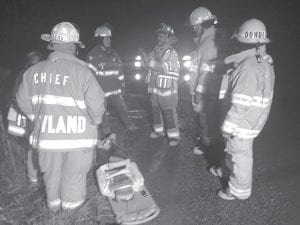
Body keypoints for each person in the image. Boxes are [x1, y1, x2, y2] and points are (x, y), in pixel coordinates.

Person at [16, 22, 106, 212]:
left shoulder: (31, 72)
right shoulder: (83, 72)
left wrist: (39, 118)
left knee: (51, 178)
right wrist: (95, 122)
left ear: (52, 45)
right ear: (74, 47)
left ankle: (54, 214)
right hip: (78, 140)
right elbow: (97, 107)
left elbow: (22, 101)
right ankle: (71, 216)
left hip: (48, 140)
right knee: (73, 179)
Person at [216, 18, 275, 200]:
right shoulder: (260, 61)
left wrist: (228, 127)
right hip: (249, 121)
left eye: (237, 41)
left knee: (240, 156)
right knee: (233, 150)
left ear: (242, 42)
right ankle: (225, 169)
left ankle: (237, 190)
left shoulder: (248, 67)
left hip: (241, 124)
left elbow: (241, 104)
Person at [86, 23, 138, 140]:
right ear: (99, 39)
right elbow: (90, 76)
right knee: (103, 113)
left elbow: (120, 70)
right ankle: (106, 132)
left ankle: (130, 125)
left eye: (110, 38)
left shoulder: (113, 53)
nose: (109, 40)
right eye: (107, 38)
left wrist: (122, 84)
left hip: (115, 91)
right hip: (101, 92)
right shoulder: (93, 55)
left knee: (122, 108)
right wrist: (94, 92)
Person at [188, 7, 227, 155]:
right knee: (206, 118)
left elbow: (207, 70)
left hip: (206, 91)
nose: (194, 30)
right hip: (207, 90)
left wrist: (198, 92)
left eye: (195, 27)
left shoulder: (209, 43)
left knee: (206, 119)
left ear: (203, 25)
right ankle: (209, 143)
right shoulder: (207, 41)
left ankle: (209, 147)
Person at [141, 23, 181, 147]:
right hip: (154, 87)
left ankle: (174, 136)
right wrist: (144, 60)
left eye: (162, 36)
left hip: (167, 89)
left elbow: (163, 67)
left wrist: (149, 62)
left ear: (169, 37)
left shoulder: (171, 52)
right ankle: (159, 132)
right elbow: (147, 64)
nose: (159, 38)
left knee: (168, 112)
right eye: (158, 36)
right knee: (155, 110)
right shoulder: (156, 50)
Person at [11, 51, 43, 185]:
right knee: (31, 149)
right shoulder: (24, 75)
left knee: (37, 149)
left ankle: (38, 179)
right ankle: (34, 181)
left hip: (38, 117)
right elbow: (17, 98)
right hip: (29, 118)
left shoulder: (40, 75)